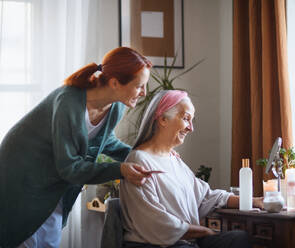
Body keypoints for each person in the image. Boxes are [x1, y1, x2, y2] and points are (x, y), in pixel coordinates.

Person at [0, 47, 156, 248]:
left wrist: (146, 154)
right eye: (139, 86)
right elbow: (70, 168)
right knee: (24, 238)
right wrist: (120, 169)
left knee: (48, 239)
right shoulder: (69, 102)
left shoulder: (116, 105)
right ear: (115, 83)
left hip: (52, 180)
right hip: (21, 177)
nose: (143, 93)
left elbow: (105, 141)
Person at [119, 90, 264, 248]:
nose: (191, 128)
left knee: (238, 239)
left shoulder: (174, 160)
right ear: (162, 119)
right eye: (186, 118)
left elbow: (205, 197)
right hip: (155, 245)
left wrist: (253, 201)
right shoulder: (139, 160)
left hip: (184, 242)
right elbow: (155, 222)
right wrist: (203, 231)